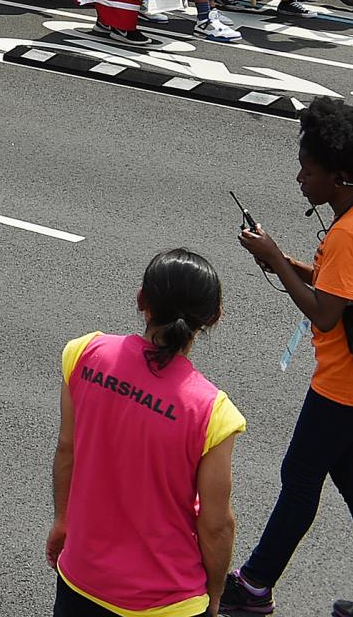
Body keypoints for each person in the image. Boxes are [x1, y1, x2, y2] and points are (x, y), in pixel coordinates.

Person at [224, 99, 353, 617]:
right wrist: (281, 258)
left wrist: (274, 260)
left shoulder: (351, 233)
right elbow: (344, 291)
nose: (300, 177)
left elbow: (325, 313)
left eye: (309, 169)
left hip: (344, 383)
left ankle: (255, 585)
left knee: (300, 476)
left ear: (338, 173)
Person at [50, 249, 240, 617]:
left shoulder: (84, 354)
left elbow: (66, 450)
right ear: (213, 318)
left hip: (81, 583)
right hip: (168, 601)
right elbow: (217, 525)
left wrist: (62, 522)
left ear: (142, 300)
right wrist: (215, 597)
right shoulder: (213, 412)